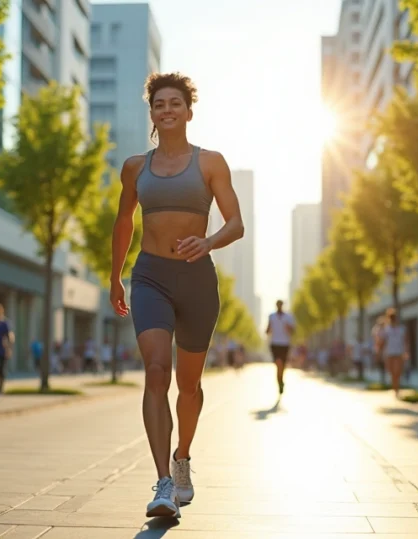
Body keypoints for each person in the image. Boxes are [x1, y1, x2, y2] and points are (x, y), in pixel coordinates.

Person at [109, 72, 244, 518]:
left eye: (174, 104)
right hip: (149, 276)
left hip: (197, 281)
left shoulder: (210, 162)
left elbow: (235, 223)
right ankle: (163, 484)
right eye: (158, 104)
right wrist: (116, 277)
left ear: (188, 111)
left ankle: (181, 457)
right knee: (155, 371)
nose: (166, 110)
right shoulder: (135, 166)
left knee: (189, 386)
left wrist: (208, 242)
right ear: (151, 113)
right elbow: (124, 222)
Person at [266, 300, 296, 394]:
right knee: (278, 363)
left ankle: (280, 382)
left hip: (285, 344)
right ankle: (279, 382)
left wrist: (288, 328)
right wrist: (269, 328)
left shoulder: (288, 317)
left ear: (282, 305)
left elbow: (293, 331)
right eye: (278, 304)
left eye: (280, 304)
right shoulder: (272, 316)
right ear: (276, 305)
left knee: (282, 365)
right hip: (275, 343)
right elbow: (267, 331)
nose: (279, 306)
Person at [379, 308, 409, 398]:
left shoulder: (401, 329)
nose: (393, 319)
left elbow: (405, 341)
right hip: (389, 353)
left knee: (398, 371)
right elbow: (383, 341)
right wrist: (379, 352)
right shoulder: (386, 329)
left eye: (394, 317)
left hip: (399, 352)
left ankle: (397, 389)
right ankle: (394, 387)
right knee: (392, 372)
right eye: (391, 317)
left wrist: (406, 352)